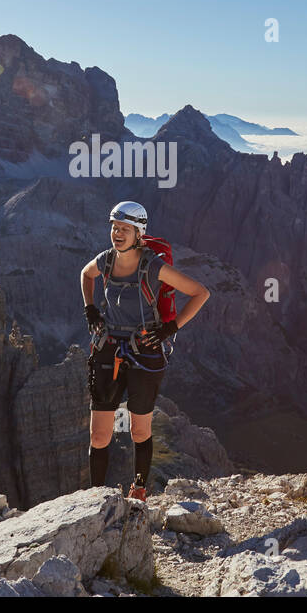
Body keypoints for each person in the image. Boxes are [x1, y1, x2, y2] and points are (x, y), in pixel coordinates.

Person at [79, 201, 210, 501]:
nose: (117, 234)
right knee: (99, 435)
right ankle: (96, 499)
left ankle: (138, 491)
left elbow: (201, 292)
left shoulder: (153, 266)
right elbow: (86, 275)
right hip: (108, 350)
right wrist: (90, 309)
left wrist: (170, 328)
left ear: (139, 233)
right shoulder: (106, 261)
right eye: (114, 228)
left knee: (140, 430)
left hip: (144, 352)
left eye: (124, 229)